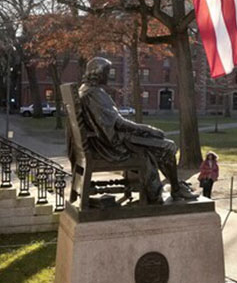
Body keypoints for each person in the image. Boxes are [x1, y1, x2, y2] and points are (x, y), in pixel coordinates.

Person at [77, 57, 196, 201]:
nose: (109, 76)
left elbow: (113, 122)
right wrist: (148, 129)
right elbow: (119, 123)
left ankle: (175, 188)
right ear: (98, 73)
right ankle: (173, 190)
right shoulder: (95, 94)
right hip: (112, 145)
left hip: (102, 142)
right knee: (167, 146)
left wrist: (146, 131)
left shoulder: (85, 90)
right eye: (107, 72)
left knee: (159, 143)